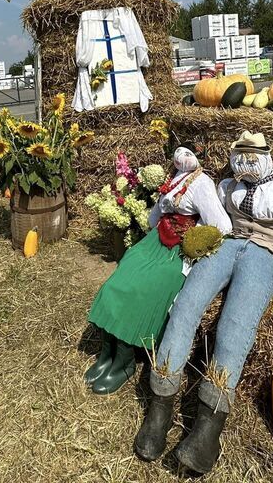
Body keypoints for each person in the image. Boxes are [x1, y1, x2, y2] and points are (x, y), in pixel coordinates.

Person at [134, 131, 273, 473]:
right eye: (241, 153)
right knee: (185, 307)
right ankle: (160, 405)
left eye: (254, 154)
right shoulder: (223, 188)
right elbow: (200, 211)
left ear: (266, 156)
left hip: (263, 256)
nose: (247, 160)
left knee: (234, 327)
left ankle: (208, 427)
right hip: (224, 246)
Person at [84, 147, 231, 394]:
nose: (182, 155)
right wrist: (155, 225)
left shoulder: (202, 183)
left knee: (139, 289)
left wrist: (195, 239)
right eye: (179, 150)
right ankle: (107, 353)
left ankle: (125, 361)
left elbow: (222, 225)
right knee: (119, 280)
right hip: (155, 241)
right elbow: (155, 217)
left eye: (189, 152)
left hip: (177, 251)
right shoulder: (174, 177)